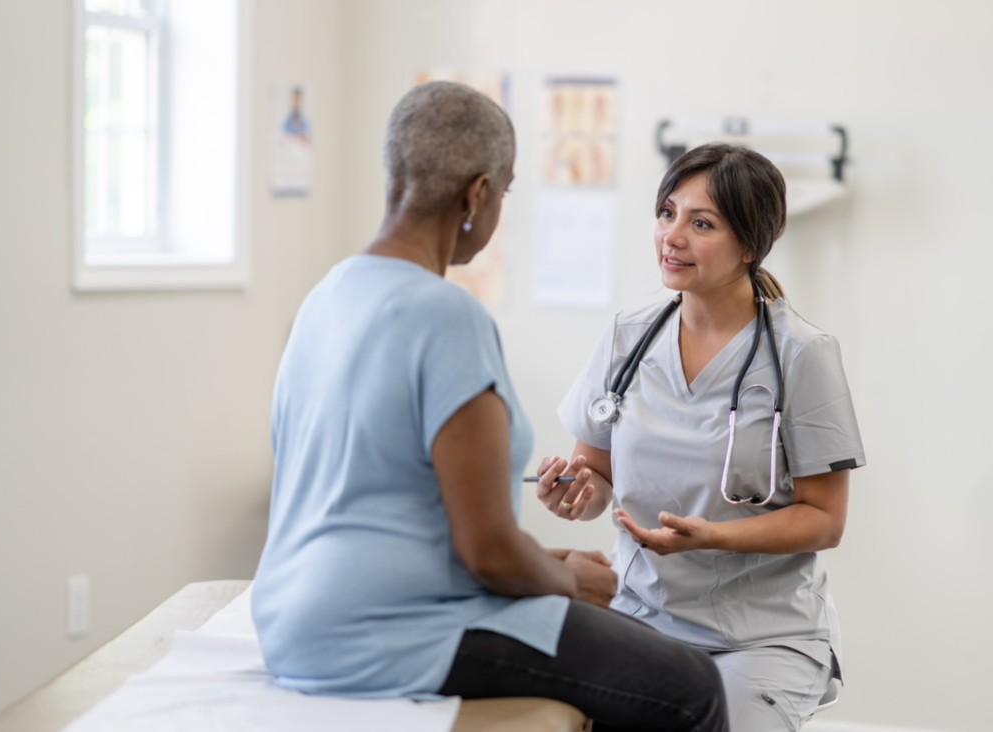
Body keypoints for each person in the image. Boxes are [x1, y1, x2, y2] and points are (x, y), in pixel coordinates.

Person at [252, 82, 728, 732]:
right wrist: (571, 584)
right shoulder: (445, 314)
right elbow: (488, 554)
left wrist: (548, 561)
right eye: (503, 192)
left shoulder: (327, 296)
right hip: (390, 632)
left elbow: (395, 509)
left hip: (290, 620)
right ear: (477, 195)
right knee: (692, 686)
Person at [537, 143, 865, 732]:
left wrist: (710, 536)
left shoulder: (802, 354)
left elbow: (825, 519)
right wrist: (575, 491)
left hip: (759, 637)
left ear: (749, 245)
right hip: (638, 618)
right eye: (667, 213)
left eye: (701, 223)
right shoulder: (625, 339)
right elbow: (595, 481)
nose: (673, 236)